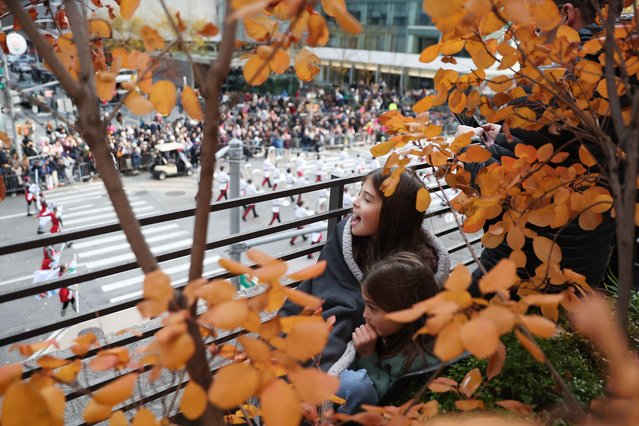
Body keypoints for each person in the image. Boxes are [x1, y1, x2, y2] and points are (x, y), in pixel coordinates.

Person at [456, 0, 619, 293]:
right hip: (589, 263)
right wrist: (505, 144)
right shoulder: (619, 79)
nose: (527, 29)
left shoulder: (548, 86)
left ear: (566, 15)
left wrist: (467, 144)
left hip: (526, 273)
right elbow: (557, 158)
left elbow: (500, 195)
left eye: (532, 17)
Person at [279, 168, 450, 371]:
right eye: (360, 192)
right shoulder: (344, 237)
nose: (355, 201)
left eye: (367, 199)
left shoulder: (415, 273)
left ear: (392, 216)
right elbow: (317, 283)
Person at [330, 252, 440, 413]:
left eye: (372, 307)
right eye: (365, 304)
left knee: (353, 384)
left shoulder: (417, 360)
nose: (365, 315)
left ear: (404, 312)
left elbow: (389, 399)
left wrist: (368, 356)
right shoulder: (406, 332)